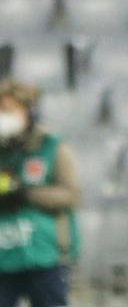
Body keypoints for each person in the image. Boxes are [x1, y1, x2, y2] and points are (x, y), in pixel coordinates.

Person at [0, 80, 80, 307]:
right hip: (4, 255)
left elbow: (71, 195)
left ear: (28, 110)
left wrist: (27, 194)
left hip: (45, 255)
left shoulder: (52, 146)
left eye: (7, 110)